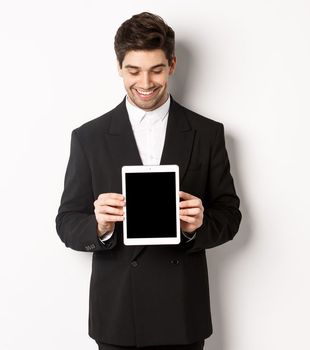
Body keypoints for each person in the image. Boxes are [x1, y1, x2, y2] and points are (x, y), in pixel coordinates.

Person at [56, 12, 241, 350]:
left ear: (172, 64)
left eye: (156, 69)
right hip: (118, 315)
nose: (145, 82)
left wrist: (197, 225)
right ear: (119, 67)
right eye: (133, 70)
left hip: (182, 312)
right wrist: (98, 226)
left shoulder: (207, 133)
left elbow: (230, 215)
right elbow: (66, 222)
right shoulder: (89, 138)